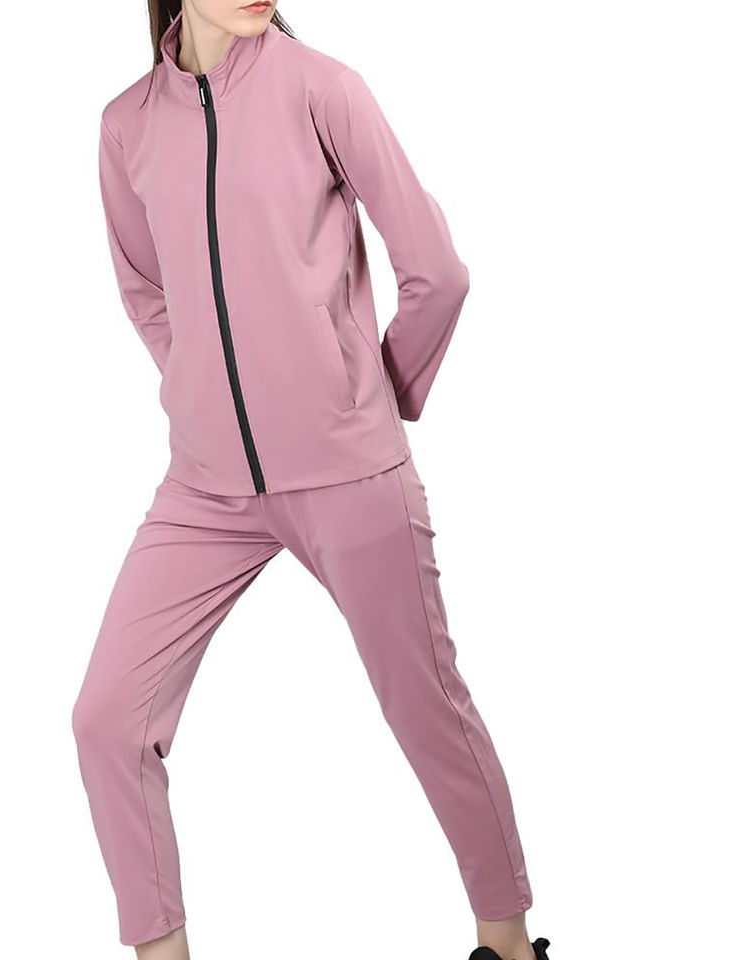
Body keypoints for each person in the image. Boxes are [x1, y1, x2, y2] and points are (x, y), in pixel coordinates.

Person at [71, 3, 551, 958]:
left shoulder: (323, 88)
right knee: (106, 719)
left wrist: (365, 396)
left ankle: (506, 948)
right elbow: (146, 291)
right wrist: (202, 394)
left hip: (347, 471)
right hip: (205, 488)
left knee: (425, 707)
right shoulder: (127, 126)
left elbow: (439, 271)